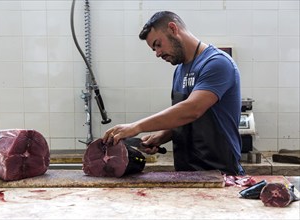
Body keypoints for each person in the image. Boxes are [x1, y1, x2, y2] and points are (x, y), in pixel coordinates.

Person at [102, 11, 244, 175]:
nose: (157, 53)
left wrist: (136, 126)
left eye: (158, 44)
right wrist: (162, 136)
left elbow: (192, 109)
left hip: (220, 173)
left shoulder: (216, 63)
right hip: (186, 173)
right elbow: (186, 119)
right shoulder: (180, 71)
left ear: (172, 28)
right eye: (153, 49)